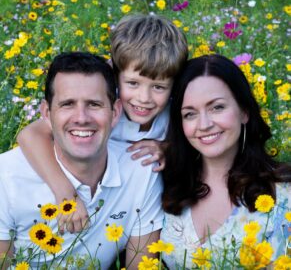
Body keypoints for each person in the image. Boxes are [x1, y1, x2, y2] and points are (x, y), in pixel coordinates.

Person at [16, 14, 188, 234]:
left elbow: (196, 146)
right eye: (133, 83)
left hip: (138, 211)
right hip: (84, 198)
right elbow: (29, 136)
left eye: (159, 87)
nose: (144, 98)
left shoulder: (172, 114)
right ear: (114, 74)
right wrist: (66, 195)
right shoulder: (101, 110)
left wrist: (168, 148)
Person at [0, 52, 164, 269]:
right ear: (47, 113)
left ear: (115, 112)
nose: (81, 118)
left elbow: (141, 265)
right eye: (67, 104)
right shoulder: (6, 178)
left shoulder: (141, 170)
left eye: (94, 104)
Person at [160, 54, 291, 268]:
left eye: (217, 107)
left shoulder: (283, 196)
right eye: (190, 114)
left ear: (244, 111)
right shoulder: (164, 181)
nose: (204, 124)